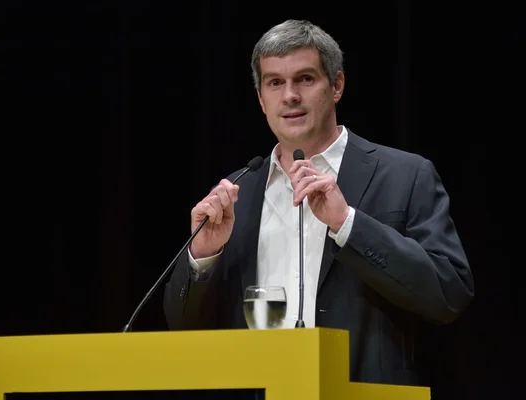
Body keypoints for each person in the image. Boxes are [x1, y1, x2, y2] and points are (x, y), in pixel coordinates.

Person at [163, 19, 474, 386]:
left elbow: (449, 293)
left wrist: (347, 224)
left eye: (305, 79)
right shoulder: (236, 192)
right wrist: (203, 257)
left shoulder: (405, 175)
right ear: (261, 100)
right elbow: (182, 325)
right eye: (275, 82)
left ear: (336, 85)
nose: (290, 95)